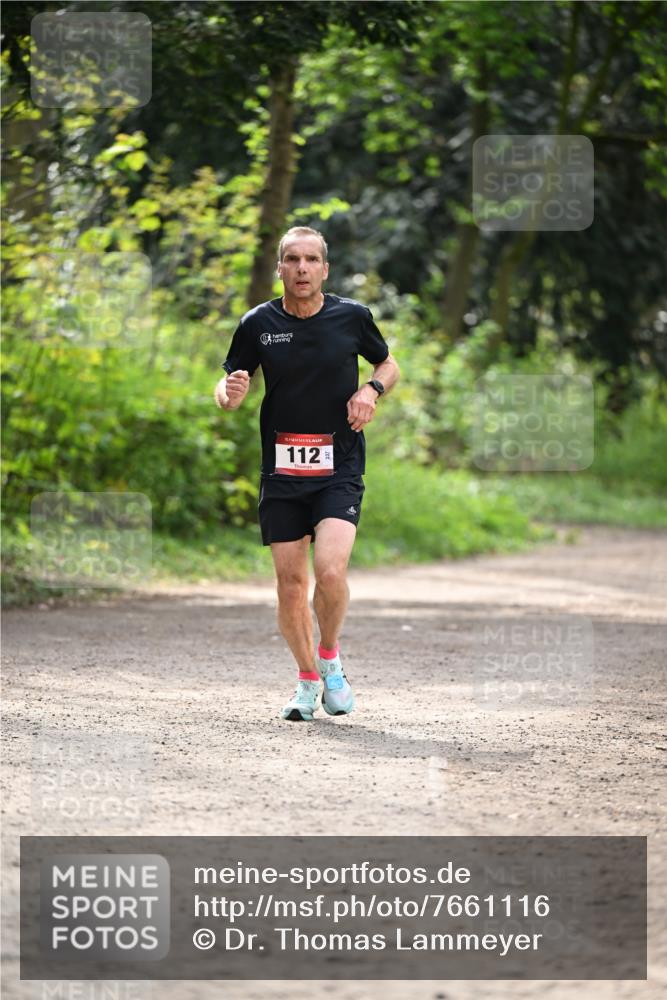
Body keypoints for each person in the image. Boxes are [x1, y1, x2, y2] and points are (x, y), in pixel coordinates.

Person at [214, 226, 400, 721]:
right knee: (290, 584)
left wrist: (371, 391)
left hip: (338, 466)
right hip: (281, 470)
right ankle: (306, 680)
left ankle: (331, 656)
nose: (301, 268)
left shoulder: (351, 317)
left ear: (324, 269)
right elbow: (231, 378)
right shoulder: (257, 323)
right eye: (291, 260)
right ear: (279, 268)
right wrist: (227, 393)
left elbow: (388, 363)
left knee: (331, 570)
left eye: (310, 260)